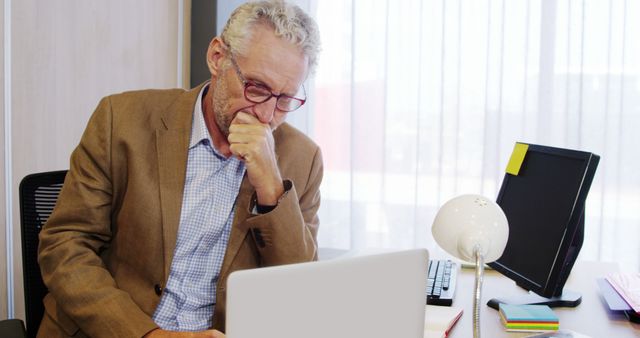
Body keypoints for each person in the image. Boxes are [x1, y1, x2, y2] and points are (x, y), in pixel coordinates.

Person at [36, 1, 322, 337]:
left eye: (285, 99)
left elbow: (298, 294)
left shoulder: (303, 159)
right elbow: (65, 246)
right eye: (256, 88)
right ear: (218, 57)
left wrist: (272, 189)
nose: (266, 114)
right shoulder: (122, 119)